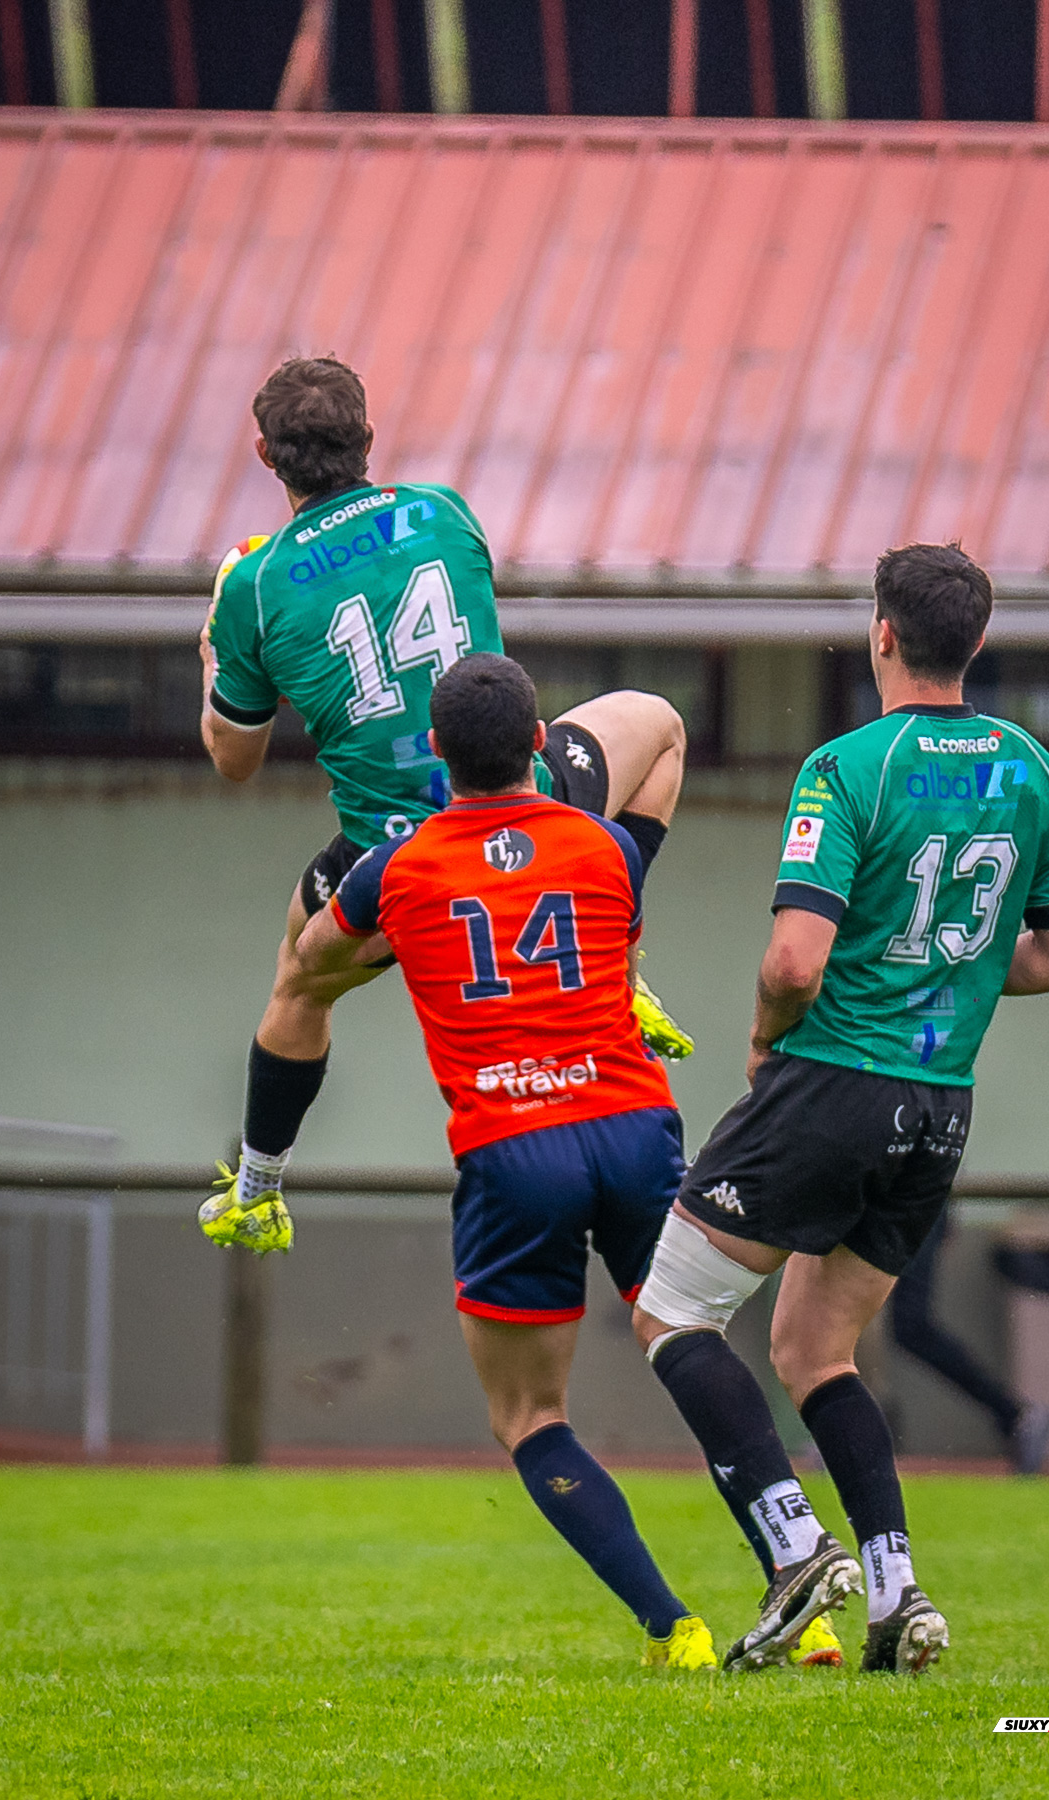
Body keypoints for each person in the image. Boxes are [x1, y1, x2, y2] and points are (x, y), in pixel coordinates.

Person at [630, 541, 1049, 1675]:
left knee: (673, 1314)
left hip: (834, 1080)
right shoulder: (1031, 767)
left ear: (881, 633)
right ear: (977, 643)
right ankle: (897, 1595)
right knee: (812, 1347)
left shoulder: (849, 767)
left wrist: (761, 1040)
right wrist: (962, 979)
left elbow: (795, 961)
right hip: (939, 1112)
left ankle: (796, 1551)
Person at [196, 356, 691, 1255]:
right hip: (531, 817)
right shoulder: (442, 511)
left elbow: (236, 759)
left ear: (264, 454)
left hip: (398, 868)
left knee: (298, 985)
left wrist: (211, 653)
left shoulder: (254, 586)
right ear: (368, 441)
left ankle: (260, 1186)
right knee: (657, 728)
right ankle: (617, 944)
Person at [290, 651, 712, 1668]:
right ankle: (805, 1583)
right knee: (695, 1355)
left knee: (528, 1416)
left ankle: (676, 1628)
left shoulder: (399, 868)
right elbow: (654, 739)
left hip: (511, 1147)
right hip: (631, 1122)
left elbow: (310, 966)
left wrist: (377, 934)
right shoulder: (608, 851)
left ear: (435, 752)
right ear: (538, 744)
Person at [890, 1207, 1049, 1473]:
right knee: (881, 1324)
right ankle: (840, 1431)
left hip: (903, 1202)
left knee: (909, 1325)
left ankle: (1015, 1414)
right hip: (882, 1202)